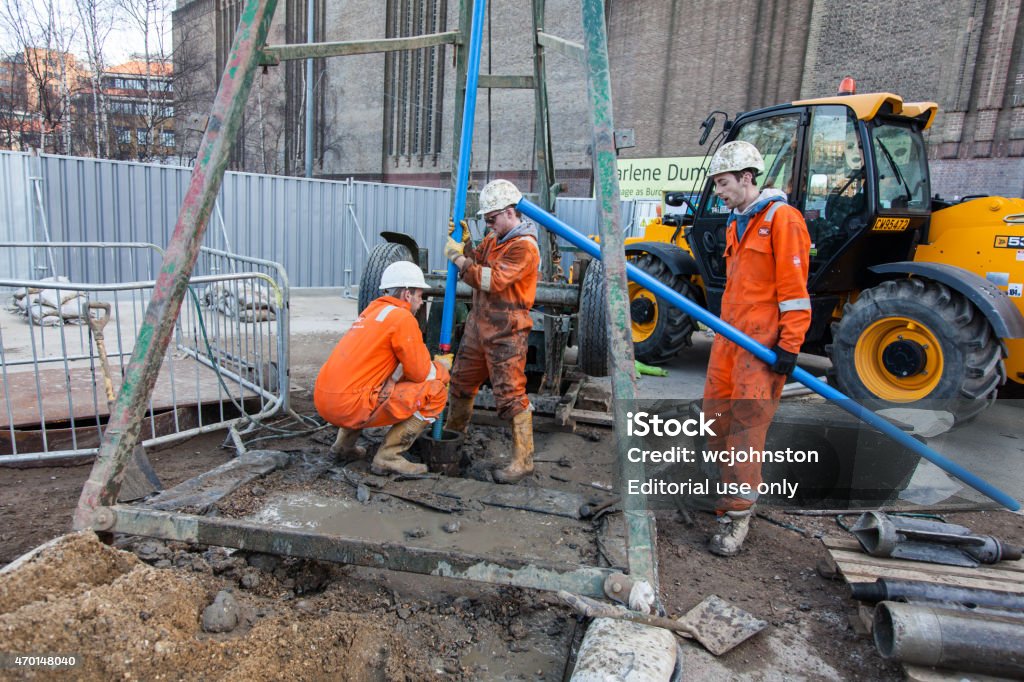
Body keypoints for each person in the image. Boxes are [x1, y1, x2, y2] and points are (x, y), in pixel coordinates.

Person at [702, 141, 812, 556]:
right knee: (715, 417)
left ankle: (738, 515)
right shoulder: (737, 223)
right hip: (730, 340)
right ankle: (723, 496)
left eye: (724, 182)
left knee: (746, 432)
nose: (719, 191)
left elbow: (795, 293)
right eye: (716, 184)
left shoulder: (783, 220)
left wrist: (789, 345)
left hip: (761, 346)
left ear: (747, 177)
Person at [442, 179, 540, 484]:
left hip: (507, 331)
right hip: (479, 325)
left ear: (510, 212)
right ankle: (451, 441)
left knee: (510, 395)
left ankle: (523, 461)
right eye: (484, 221)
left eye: (492, 219)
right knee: (459, 383)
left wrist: (457, 258)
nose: (489, 224)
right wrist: (466, 243)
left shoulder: (524, 246)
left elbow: (491, 280)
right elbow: (479, 260)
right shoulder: (496, 239)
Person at [314, 261, 451, 475]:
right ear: (407, 294)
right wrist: (442, 369)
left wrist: (394, 378)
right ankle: (388, 457)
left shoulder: (372, 311)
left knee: (367, 384)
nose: (421, 301)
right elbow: (420, 373)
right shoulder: (403, 318)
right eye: (419, 295)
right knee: (436, 393)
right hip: (350, 406)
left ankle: (342, 447)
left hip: (325, 400)